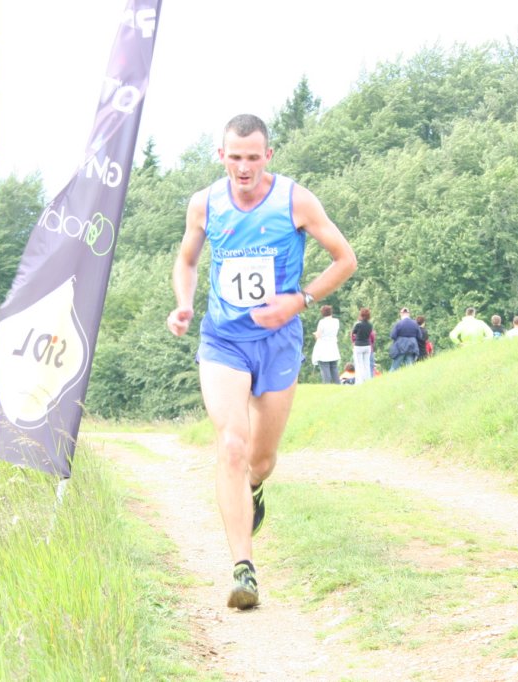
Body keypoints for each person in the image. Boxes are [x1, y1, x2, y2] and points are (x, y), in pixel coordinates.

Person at [166, 114, 357, 611]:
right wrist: (183, 303)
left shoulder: (295, 200)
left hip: (278, 342)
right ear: (221, 156)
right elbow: (187, 260)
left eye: (253, 157)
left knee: (261, 460)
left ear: (268, 155)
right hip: (224, 341)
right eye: (235, 157)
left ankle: (252, 487)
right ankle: (243, 568)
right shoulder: (205, 203)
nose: (244, 167)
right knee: (232, 444)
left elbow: (345, 259)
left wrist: (300, 300)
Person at [311, 305, 341, 384]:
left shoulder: (322, 322)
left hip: (323, 347)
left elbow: (318, 335)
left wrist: (315, 334)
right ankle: (337, 384)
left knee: (325, 368)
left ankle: (326, 384)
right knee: (334, 367)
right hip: (333, 346)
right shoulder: (336, 321)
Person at [350, 307, 374, 384]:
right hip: (367, 345)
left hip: (359, 345)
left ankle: (360, 381)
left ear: (361, 315)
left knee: (359, 365)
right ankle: (368, 380)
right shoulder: (370, 325)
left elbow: (353, 333)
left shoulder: (358, 325)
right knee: (367, 364)